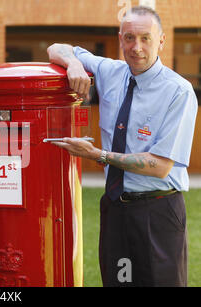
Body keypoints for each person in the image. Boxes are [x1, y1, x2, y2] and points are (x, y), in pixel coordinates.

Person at [47, 6, 198, 286]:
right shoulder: (109, 71)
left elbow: (160, 166)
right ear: (120, 39)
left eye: (145, 38)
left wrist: (98, 155)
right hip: (116, 210)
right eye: (129, 38)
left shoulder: (178, 91)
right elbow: (56, 48)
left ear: (161, 40)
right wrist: (76, 64)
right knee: (118, 282)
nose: (136, 47)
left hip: (158, 211)